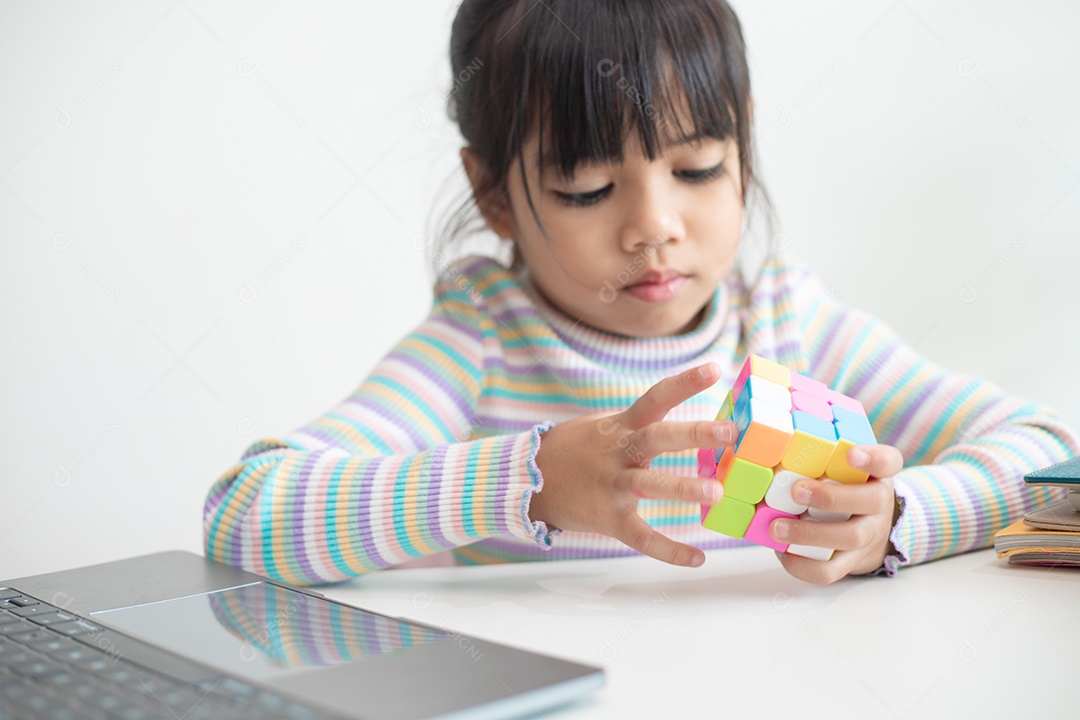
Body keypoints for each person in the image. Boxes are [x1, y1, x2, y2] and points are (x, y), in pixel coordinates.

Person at [203, 0, 1078, 587]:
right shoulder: (482, 344)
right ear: (494, 195)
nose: (653, 225)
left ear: (744, 146)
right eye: (587, 188)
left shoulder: (783, 323)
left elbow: (1046, 455)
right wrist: (528, 481)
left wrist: (897, 517)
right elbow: (248, 509)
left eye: (697, 168)